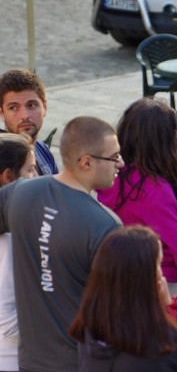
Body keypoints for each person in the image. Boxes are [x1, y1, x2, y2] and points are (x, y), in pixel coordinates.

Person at [0, 116, 123, 372]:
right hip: (79, 364)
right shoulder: (105, 225)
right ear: (86, 162)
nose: (120, 163)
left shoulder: (20, 193)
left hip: (29, 362)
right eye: (114, 157)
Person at [69, 226, 177, 371]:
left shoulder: (90, 328)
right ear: (147, 279)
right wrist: (172, 310)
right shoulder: (160, 341)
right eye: (158, 265)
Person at [97, 98, 177, 282]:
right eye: (173, 132)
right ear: (162, 141)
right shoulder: (155, 189)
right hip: (160, 284)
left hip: (118, 278)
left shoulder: (108, 177)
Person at [0, 133, 37, 372]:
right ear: (8, 177)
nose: (37, 177)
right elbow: (6, 315)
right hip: (12, 359)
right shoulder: (9, 237)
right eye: (31, 170)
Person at [0, 69, 59, 175]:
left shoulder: (42, 149)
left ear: (44, 107)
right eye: (13, 108)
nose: (25, 116)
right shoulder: (2, 160)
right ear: (1, 113)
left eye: (31, 105)